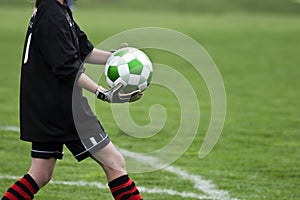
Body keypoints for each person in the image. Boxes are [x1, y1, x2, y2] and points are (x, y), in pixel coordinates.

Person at [2, 0, 143, 199]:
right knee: (115, 162)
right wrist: (101, 92)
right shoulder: (53, 14)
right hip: (64, 109)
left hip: (44, 106)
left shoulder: (55, 9)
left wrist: (116, 57)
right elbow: (67, 68)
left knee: (40, 173)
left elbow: (84, 50)